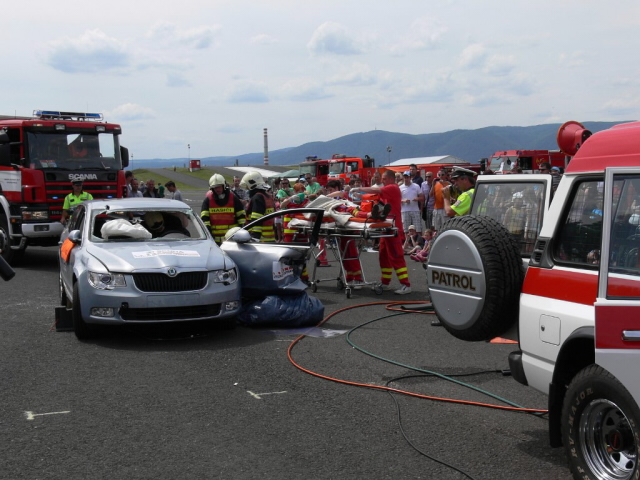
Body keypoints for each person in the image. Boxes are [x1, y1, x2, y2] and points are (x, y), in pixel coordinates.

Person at [352, 170, 411, 294]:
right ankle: (385, 283)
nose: (382, 181)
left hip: (393, 227)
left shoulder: (392, 188)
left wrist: (359, 188)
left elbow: (376, 191)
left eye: (384, 179)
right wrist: (360, 196)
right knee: (383, 255)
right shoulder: (387, 190)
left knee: (396, 256)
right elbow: (373, 196)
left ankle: (406, 285)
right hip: (386, 227)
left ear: (390, 179)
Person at [201, 174, 246, 244]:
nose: (217, 189)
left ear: (224, 186)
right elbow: (205, 221)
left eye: (219, 187)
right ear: (212, 188)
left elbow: (242, 219)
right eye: (215, 187)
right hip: (215, 242)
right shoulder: (208, 201)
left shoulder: (233, 199)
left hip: (232, 240)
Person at [241, 171, 276, 242]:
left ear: (252, 184)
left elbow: (256, 220)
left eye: (247, 186)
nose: (247, 189)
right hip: (270, 238)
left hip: (260, 240)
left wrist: (255, 238)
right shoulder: (268, 196)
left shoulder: (257, 197)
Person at [400, 170, 423, 235]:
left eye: (407, 177)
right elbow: (398, 200)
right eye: (405, 177)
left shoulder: (416, 186)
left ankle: (419, 242)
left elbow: (422, 197)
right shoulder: (400, 187)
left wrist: (417, 198)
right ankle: (408, 243)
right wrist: (403, 201)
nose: (406, 179)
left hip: (415, 210)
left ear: (410, 178)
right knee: (406, 230)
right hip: (405, 210)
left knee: (418, 229)